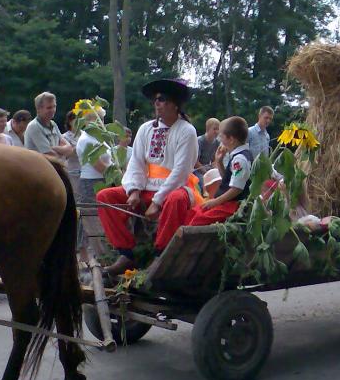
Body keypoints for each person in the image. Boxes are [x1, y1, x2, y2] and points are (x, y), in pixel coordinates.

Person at [96, 78, 199, 275]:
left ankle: (161, 255)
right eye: (155, 99)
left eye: (162, 99)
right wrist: (133, 190)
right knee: (105, 197)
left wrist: (158, 201)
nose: (157, 103)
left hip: (175, 188)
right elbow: (136, 162)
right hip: (145, 187)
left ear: (174, 104)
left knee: (176, 200)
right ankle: (127, 253)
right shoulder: (145, 129)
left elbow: (181, 171)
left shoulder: (187, 131)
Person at [186, 116, 253, 226]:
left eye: (221, 136)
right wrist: (219, 161)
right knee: (193, 212)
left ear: (231, 139)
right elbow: (228, 179)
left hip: (232, 206)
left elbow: (236, 189)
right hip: (226, 203)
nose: (219, 139)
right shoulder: (237, 156)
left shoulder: (239, 160)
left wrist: (215, 202)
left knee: (198, 220)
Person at [76, 106, 111, 203]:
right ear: (87, 121)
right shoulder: (86, 140)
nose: (100, 122)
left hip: (103, 181)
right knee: (93, 215)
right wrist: (116, 176)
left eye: (102, 119)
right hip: (92, 183)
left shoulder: (98, 138)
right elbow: (97, 165)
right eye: (97, 119)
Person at [25, 92, 75, 159]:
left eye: (54, 106)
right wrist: (62, 151)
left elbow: (69, 150)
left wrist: (54, 148)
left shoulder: (53, 124)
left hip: (55, 167)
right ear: (39, 109)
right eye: (49, 108)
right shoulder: (34, 126)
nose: (53, 110)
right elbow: (50, 155)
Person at [62, 110, 83, 196]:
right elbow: (66, 153)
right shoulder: (64, 137)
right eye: (76, 119)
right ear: (70, 121)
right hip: (72, 170)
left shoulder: (85, 134)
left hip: (84, 170)